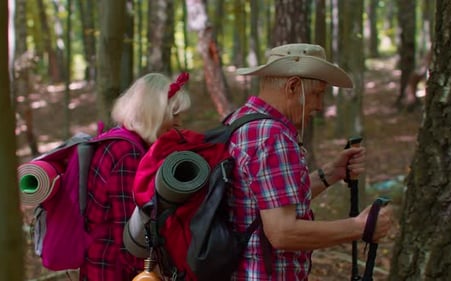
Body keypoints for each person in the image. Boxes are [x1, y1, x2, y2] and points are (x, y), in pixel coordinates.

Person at [225, 43, 393, 280]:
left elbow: (265, 200)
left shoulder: (240, 120)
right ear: (293, 86)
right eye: (317, 94)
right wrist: (361, 227)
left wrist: (331, 173)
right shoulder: (272, 136)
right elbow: (283, 233)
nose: (319, 106)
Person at [79, 72, 191, 281]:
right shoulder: (127, 154)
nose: (180, 122)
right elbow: (130, 239)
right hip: (112, 271)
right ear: (153, 114)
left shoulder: (119, 142)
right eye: (174, 115)